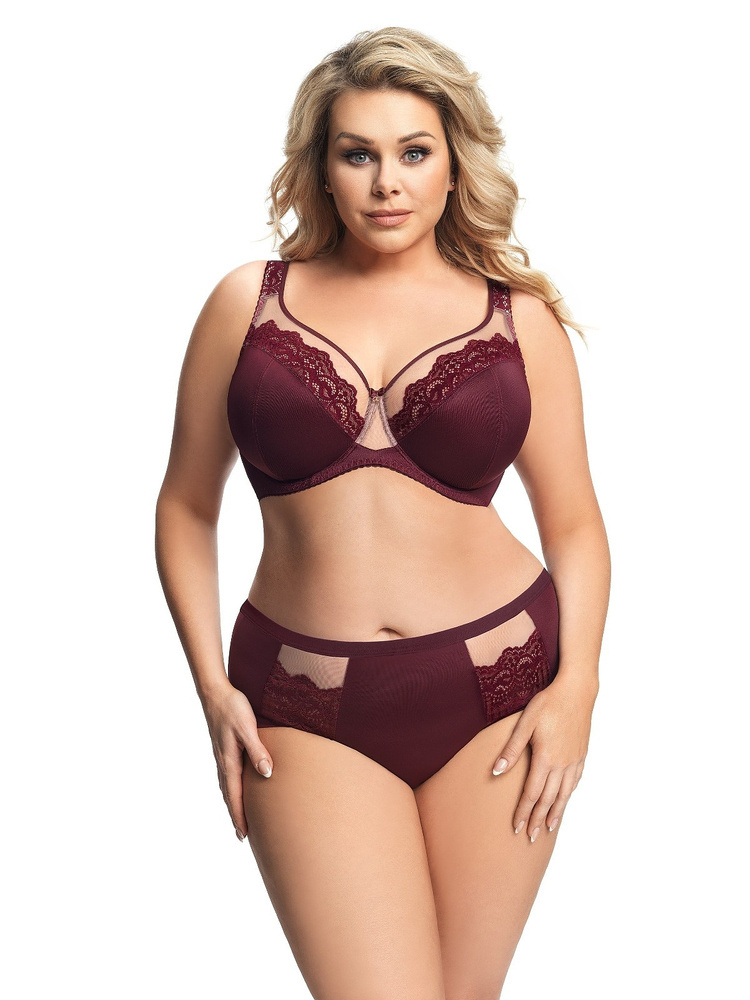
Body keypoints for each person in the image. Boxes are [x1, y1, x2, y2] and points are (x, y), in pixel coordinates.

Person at [155, 25, 610, 1000]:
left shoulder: (519, 319)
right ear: (323, 170)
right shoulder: (246, 305)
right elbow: (187, 506)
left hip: (502, 682)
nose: (387, 183)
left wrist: (579, 686)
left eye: (414, 153)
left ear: (454, 165)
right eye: (358, 154)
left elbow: (574, 522)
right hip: (301, 696)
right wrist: (211, 688)